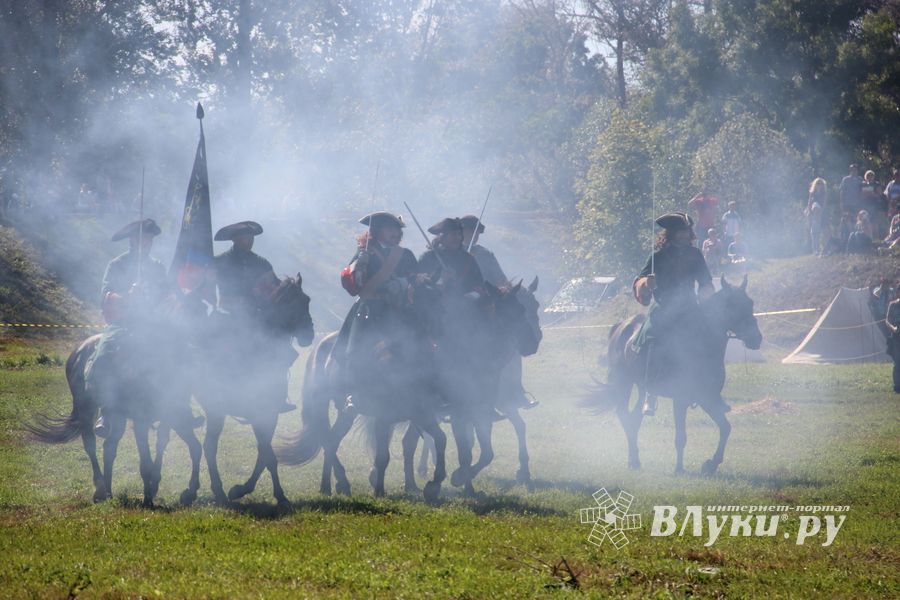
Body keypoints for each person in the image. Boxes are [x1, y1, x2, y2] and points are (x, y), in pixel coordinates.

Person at [87, 219, 170, 436]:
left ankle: (177, 406)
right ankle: (106, 410)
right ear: (132, 240)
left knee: (178, 354)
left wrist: (165, 300)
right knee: (104, 355)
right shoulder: (117, 264)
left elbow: (166, 295)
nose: (148, 243)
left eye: (150, 239)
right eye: (144, 238)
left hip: (151, 325)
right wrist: (128, 296)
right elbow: (105, 296)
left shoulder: (158, 267)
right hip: (122, 324)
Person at [631, 213, 715, 416]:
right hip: (664, 310)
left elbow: (705, 283)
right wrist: (646, 284)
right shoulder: (656, 257)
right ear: (672, 233)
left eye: (687, 231)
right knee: (654, 342)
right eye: (681, 231)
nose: (685, 235)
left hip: (690, 309)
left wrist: (707, 294)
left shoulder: (695, 255)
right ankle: (651, 393)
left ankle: (703, 387)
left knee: (709, 340)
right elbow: (639, 283)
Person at [334, 211, 420, 405]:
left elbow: (417, 277)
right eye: (390, 229)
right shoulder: (365, 251)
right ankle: (353, 393)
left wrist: (404, 282)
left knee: (420, 342)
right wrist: (358, 266)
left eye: (397, 230)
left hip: (398, 309)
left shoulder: (405, 255)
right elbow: (351, 285)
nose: (395, 234)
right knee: (355, 349)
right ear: (378, 230)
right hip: (369, 309)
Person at [212, 220, 295, 413]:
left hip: (257, 320)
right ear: (234, 239)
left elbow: (275, 291)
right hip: (227, 317)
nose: (249, 241)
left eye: (251, 237)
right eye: (245, 237)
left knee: (279, 349)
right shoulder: (219, 262)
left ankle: (278, 396)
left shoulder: (262, 263)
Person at [460, 214, 538, 410]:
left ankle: (515, 392)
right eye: (471, 231)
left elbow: (501, 281)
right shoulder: (446, 253)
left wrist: (502, 292)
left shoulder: (485, 255)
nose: (475, 236)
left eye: (477, 232)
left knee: (512, 344)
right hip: (458, 310)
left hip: (489, 310)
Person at [417, 217, 484, 299]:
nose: (458, 238)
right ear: (443, 237)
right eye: (453, 234)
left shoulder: (468, 259)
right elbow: (419, 282)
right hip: (433, 303)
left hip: (464, 306)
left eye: (459, 234)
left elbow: (479, 286)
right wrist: (439, 279)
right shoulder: (428, 257)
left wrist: (469, 297)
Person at [885, 286, 900, 393]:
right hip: (896, 337)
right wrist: (893, 328)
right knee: (898, 362)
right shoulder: (893, 305)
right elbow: (887, 320)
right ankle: (897, 386)